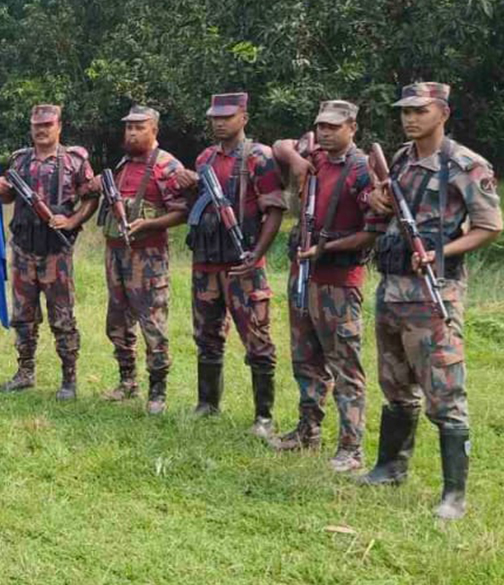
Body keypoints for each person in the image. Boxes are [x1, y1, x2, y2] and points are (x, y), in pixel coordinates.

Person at [359, 82, 500, 520]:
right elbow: (384, 204)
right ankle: (390, 467)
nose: (410, 118)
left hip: (433, 291)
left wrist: (441, 252)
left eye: (420, 110)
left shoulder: (465, 165)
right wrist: (376, 198)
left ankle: (454, 494)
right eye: (405, 111)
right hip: (392, 288)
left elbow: (489, 226)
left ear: (443, 113)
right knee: (394, 382)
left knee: (444, 390)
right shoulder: (401, 159)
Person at [270, 100, 380, 472]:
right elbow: (280, 146)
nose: (326, 132)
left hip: (338, 283)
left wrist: (326, 248)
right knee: (305, 358)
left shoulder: (361, 170)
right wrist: (296, 160)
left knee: (345, 365)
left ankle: (351, 448)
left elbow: (372, 232)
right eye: (321, 126)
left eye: (334, 126)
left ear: (352, 128)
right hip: (304, 276)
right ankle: (307, 431)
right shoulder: (314, 156)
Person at [181, 92, 285, 438]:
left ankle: (264, 416)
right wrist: (189, 187)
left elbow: (275, 210)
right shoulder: (205, 158)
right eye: (215, 117)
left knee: (257, 338)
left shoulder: (259, 157)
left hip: (243, 266)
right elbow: (195, 207)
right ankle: (207, 404)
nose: (219, 122)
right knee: (206, 335)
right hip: (206, 263)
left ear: (244, 117)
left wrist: (256, 254)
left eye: (226, 117)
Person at [0, 103, 99, 400]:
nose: (42, 130)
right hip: (24, 249)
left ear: (59, 126)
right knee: (23, 316)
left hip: (55, 252)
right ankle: (25, 372)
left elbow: (91, 197)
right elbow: (9, 197)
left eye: (48, 125)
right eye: (37, 125)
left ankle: (69, 380)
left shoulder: (74, 161)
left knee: (62, 317)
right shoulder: (20, 160)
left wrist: (72, 221)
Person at [97, 105, 189, 414]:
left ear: (154, 130)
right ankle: (127, 381)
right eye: (129, 127)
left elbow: (182, 212)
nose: (132, 133)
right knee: (117, 321)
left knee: (152, 323)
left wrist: (149, 224)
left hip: (148, 256)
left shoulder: (167, 166)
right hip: (115, 253)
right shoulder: (124, 163)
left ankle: (157, 391)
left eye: (140, 127)